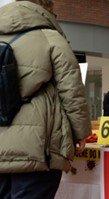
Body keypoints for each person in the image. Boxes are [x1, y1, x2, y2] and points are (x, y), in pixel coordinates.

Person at [0, 1, 92, 198]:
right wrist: (81, 132)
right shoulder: (50, 37)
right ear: (46, 9)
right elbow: (71, 89)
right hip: (38, 148)